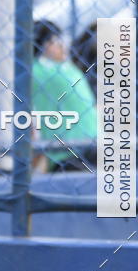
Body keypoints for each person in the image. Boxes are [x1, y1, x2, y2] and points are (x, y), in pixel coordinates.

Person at [32, 19, 97, 172]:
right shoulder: (38, 70)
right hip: (73, 156)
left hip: (85, 151)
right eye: (56, 41)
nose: (62, 45)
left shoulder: (67, 69)